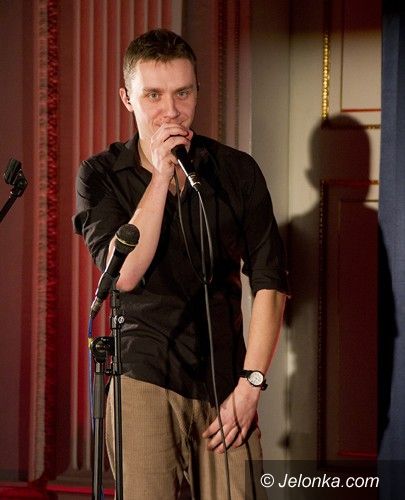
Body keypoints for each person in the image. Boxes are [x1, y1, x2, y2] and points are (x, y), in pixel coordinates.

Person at [74, 29, 289, 500]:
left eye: (183, 93)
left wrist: (251, 384)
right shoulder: (101, 175)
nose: (170, 110)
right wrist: (160, 175)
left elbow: (270, 281)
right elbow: (124, 275)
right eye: (153, 95)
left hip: (225, 382)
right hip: (144, 376)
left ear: (197, 93)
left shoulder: (236, 171)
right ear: (127, 99)